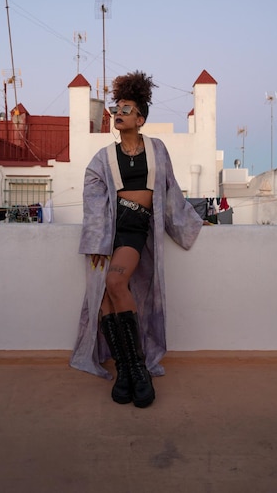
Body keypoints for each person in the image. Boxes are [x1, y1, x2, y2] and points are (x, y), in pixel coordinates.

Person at [70, 71, 203, 408]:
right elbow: (93, 200)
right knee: (103, 300)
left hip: (135, 229)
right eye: (117, 108)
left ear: (140, 118)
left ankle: (138, 368)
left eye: (126, 109)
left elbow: (171, 191)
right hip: (110, 230)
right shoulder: (102, 158)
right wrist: (97, 242)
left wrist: (190, 221)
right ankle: (127, 373)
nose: (118, 112)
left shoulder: (157, 149)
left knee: (115, 283)